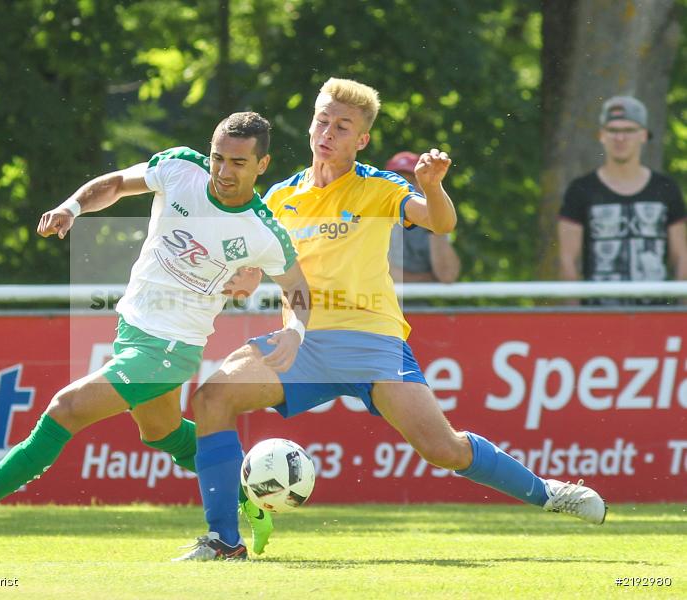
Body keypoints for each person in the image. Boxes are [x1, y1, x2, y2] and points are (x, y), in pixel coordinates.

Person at [174, 78, 607, 562]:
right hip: (301, 342)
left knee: (444, 449)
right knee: (212, 398)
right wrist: (241, 277)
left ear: (361, 140)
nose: (328, 132)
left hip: (370, 341)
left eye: (343, 126)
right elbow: (253, 264)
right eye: (322, 121)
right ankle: (223, 541)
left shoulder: (378, 186)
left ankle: (549, 492)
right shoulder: (279, 196)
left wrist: (434, 187)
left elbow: (440, 223)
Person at [0, 112, 310, 538]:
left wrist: (295, 330)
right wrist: (72, 208)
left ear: (262, 166)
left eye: (237, 163)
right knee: (163, 434)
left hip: (171, 348)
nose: (223, 171)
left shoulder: (262, 230)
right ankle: (248, 499)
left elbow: (298, 288)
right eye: (218, 158)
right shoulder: (181, 168)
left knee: (65, 409)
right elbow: (118, 183)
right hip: (132, 328)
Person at [558, 95, 687, 304]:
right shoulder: (581, 190)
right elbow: (567, 261)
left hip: (656, 316)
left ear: (643, 135)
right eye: (613, 130)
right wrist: (576, 318)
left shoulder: (666, 188)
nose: (620, 138)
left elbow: (681, 258)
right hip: (599, 316)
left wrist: (681, 315)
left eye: (629, 130)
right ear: (602, 135)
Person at [384, 151, 461, 284]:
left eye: (412, 181)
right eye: (397, 181)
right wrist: (428, 280)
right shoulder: (377, 216)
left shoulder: (438, 219)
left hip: (420, 303)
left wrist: (434, 225)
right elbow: (385, 275)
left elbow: (447, 275)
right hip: (382, 302)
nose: (404, 188)